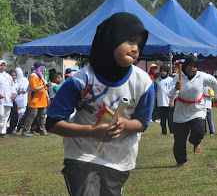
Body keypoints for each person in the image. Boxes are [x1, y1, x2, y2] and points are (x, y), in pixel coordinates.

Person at [46, 12, 154, 195]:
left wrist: (124, 124)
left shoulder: (143, 83)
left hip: (119, 160)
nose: (135, 48)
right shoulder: (80, 81)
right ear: (110, 39)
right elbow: (52, 123)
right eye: (129, 40)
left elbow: (142, 123)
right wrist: (93, 132)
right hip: (82, 156)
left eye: (139, 44)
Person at [168, 55, 217, 167]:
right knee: (179, 141)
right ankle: (180, 161)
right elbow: (170, 95)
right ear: (185, 66)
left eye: (194, 66)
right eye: (189, 66)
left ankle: (195, 142)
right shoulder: (178, 77)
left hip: (197, 108)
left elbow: (213, 81)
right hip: (181, 111)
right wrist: (176, 88)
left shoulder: (202, 76)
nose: (191, 69)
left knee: (199, 130)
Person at [21, 61, 51, 137]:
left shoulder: (42, 76)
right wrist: (45, 86)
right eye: (43, 67)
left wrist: (47, 97)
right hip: (34, 99)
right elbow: (34, 89)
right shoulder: (33, 76)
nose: (44, 68)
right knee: (32, 115)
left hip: (42, 99)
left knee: (42, 115)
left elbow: (45, 88)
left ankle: (43, 130)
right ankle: (25, 130)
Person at [154, 65, 174, 135]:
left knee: (170, 118)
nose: (163, 73)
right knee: (162, 119)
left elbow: (173, 91)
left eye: (164, 71)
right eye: (161, 71)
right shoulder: (157, 81)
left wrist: (172, 101)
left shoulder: (170, 80)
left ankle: (172, 131)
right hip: (160, 102)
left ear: (167, 72)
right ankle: (163, 132)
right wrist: (154, 101)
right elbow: (155, 91)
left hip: (168, 102)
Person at [0, 60, 15, 139]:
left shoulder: (8, 76)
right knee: (1, 114)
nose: (3, 67)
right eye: (1, 65)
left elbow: (12, 86)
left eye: (4, 65)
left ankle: (2, 132)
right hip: (0, 99)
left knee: (6, 116)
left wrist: (14, 93)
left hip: (8, 98)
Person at [14, 68, 29, 135]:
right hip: (17, 100)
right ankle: (16, 127)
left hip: (24, 100)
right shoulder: (14, 81)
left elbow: (27, 89)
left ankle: (19, 128)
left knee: (22, 114)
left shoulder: (25, 80)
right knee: (16, 114)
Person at [6, 69, 19, 135]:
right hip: (6, 100)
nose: (13, 77)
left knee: (14, 115)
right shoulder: (6, 82)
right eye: (12, 75)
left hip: (13, 101)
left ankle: (10, 130)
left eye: (14, 75)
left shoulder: (16, 83)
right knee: (6, 116)